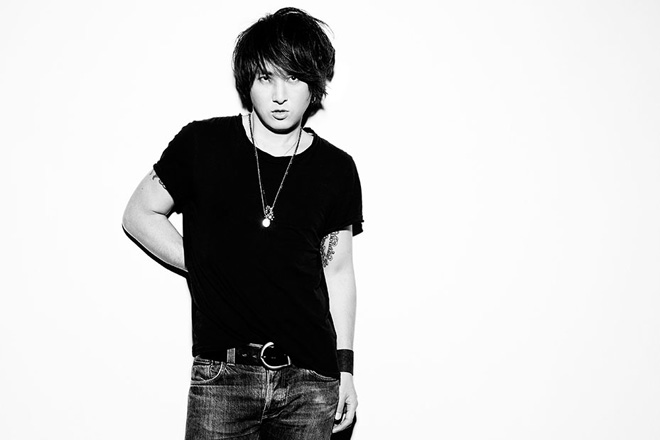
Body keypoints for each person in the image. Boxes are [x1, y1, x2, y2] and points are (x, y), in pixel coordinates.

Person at [122, 7, 362, 440]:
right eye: (266, 78)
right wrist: (206, 266)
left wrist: (345, 369)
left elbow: (339, 271)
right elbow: (139, 214)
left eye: (294, 77)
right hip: (224, 377)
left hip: (311, 382)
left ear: (315, 84)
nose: (280, 95)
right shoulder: (202, 145)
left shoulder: (336, 169)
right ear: (248, 81)